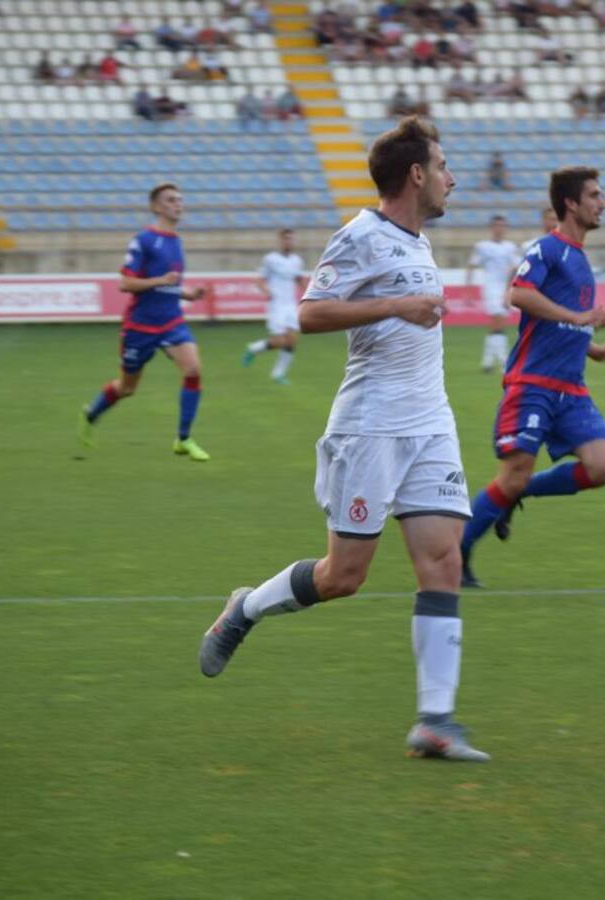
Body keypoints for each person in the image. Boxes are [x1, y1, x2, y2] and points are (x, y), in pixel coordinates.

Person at [198, 116, 490, 763]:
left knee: (442, 562)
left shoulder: (417, 241)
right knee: (344, 576)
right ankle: (245, 608)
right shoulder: (361, 236)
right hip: (370, 428)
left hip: (430, 423)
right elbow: (310, 314)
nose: (451, 178)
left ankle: (435, 722)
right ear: (416, 175)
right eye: (442, 166)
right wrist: (391, 307)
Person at [459, 167, 605, 588]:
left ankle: (518, 495)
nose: (602, 202)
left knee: (601, 467)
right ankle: (457, 555)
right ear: (571, 203)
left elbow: (562, 328)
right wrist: (578, 316)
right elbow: (517, 294)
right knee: (512, 474)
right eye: (594, 195)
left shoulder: (581, 261)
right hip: (532, 385)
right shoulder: (548, 249)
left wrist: (595, 350)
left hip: (571, 389)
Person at [78, 183, 210, 461]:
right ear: (157, 207)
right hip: (140, 326)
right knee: (127, 388)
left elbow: (168, 287)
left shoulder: (176, 241)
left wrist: (187, 293)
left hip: (172, 321)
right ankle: (91, 414)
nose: (179, 204)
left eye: (181, 200)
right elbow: (125, 283)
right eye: (172, 200)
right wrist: (161, 280)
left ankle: (183, 439)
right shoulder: (144, 240)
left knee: (193, 370)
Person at [243, 228, 306, 384]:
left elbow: (299, 279)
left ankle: (278, 374)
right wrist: (266, 292)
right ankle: (254, 348)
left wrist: (309, 293)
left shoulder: (296, 260)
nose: (288, 242)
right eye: (286, 239)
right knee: (280, 340)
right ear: (280, 241)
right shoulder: (270, 259)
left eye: (291, 239)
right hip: (276, 305)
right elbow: (259, 280)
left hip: (290, 305)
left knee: (292, 340)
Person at [467, 215, 522, 373]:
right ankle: (504, 361)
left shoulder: (510, 247)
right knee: (498, 319)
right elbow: (471, 266)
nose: (500, 229)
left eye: (502, 226)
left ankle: (488, 362)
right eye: (497, 225)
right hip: (491, 288)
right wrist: (468, 290)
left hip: (505, 289)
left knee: (497, 324)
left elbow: (516, 267)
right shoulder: (482, 246)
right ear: (492, 228)